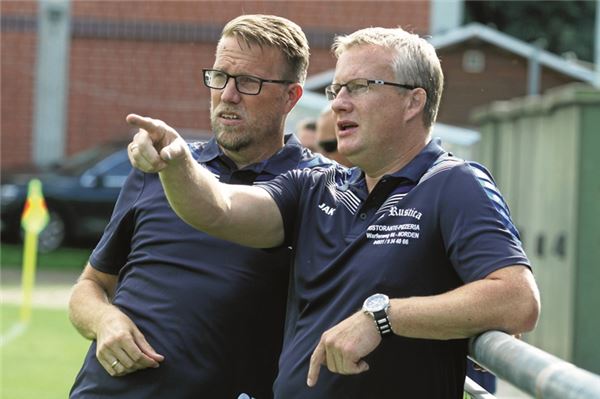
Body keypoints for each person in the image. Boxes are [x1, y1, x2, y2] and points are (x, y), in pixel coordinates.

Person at [126, 26, 541, 398]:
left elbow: (517, 299)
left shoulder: (453, 183)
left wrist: (383, 317)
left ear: (413, 101)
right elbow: (219, 209)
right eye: (336, 89)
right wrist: (177, 163)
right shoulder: (317, 186)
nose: (338, 104)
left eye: (359, 87)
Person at [68, 14, 331, 399]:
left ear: (291, 96)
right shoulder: (157, 167)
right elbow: (90, 285)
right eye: (220, 76)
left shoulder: (317, 185)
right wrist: (105, 320)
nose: (227, 94)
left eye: (248, 82)